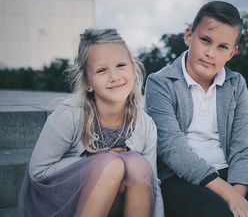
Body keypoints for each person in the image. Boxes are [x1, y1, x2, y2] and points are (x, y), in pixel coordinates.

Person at [145, 1, 248, 217]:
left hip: (229, 174)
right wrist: (230, 197)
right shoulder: (161, 82)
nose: (210, 53)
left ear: (232, 53)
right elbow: (172, 150)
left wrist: (237, 195)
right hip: (179, 178)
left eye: (222, 47)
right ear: (189, 36)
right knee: (219, 213)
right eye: (205, 40)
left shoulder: (235, 84)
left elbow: (244, 147)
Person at [17, 28, 164, 217]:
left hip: (120, 203)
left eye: (121, 65)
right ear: (88, 82)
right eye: (102, 70)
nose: (114, 76)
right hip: (62, 202)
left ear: (134, 69)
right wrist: (96, 162)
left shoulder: (145, 125)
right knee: (113, 165)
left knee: (138, 165)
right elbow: (38, 171)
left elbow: (153, 184)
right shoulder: (70, 115)